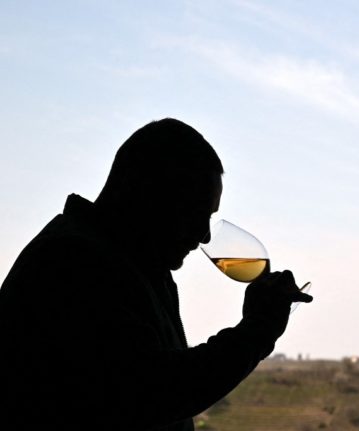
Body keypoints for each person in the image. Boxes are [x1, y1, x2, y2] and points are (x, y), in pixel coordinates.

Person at [0, 118, 312, 431]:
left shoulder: (133, 264)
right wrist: (257, 329)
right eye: (193, 212)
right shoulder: (73, 263)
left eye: (209, 217)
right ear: (146, 193)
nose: (204, 236)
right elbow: (154, 391)